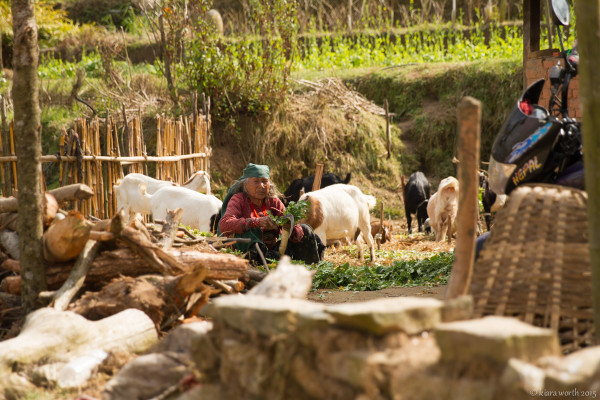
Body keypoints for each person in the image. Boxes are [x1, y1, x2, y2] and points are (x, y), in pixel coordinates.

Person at [218, 163, 324, 266]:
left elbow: (295, 230)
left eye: (265, 181)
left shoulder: (274, 202)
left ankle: (310, 271)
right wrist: (256, 222)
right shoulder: (239, 199)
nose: (261, 186)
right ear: (245, 184)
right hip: (253, 255)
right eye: (256, 181)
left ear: (269, 184)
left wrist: (290, 228)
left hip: (275, 254)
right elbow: (225, 224)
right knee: (248, 232)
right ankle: (259, 265)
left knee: (305, 229)